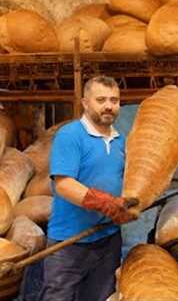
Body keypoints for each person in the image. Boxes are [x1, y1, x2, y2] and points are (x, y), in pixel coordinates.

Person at [39, 76, 136, 301]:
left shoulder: (121, 141)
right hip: (69, 242)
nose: (109, 106)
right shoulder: (70, 135)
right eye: (101, 100)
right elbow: (63, 185)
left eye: (114, 100)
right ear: (85, 102)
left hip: (108, 240)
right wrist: (104, 203)